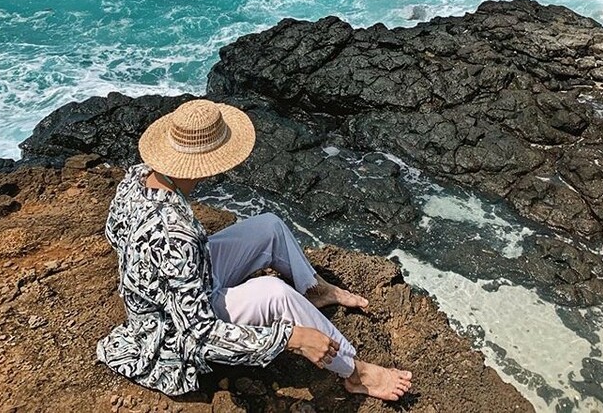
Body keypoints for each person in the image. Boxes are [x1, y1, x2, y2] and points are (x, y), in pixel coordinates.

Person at [97, 99, 413, 401]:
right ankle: (354, 372)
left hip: (187, 281)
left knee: (269, 226)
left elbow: (115, 235)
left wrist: (165, 272)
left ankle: (313, 288)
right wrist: (294, 338)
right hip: (172, 330)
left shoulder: (137, 177)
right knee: (273, 293)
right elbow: (199, 335)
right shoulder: (174, 233)